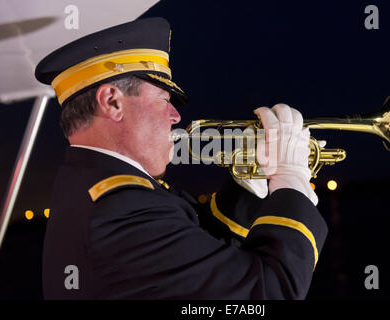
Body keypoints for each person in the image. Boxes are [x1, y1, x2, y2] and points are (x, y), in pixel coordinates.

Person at [35, 17, 327, 299]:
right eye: (164, 99)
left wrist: (249, 185)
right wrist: (290, 180)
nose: (175, 116)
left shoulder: (102, 191)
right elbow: (270, 292)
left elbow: (196, 247)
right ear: (112, 101)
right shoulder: (120, 210)